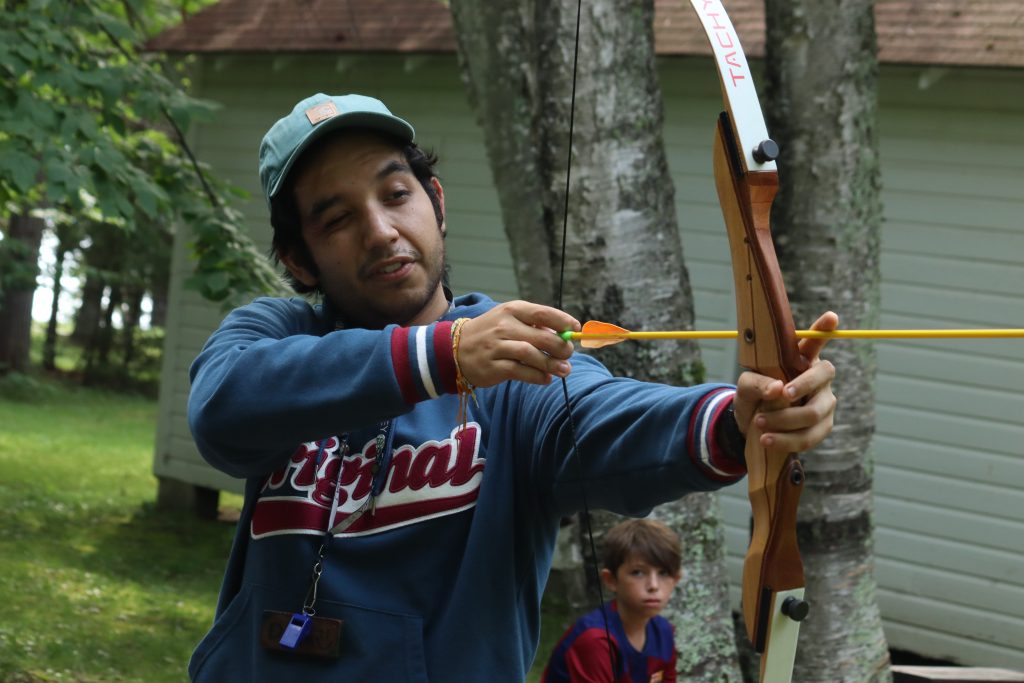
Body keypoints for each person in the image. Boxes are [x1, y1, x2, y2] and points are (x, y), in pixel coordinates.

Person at [185, 92, 837, 683]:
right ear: (300, 260)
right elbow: (222, 408)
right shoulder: (276, 333)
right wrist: (443, 355)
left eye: (395, 194)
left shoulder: (510, 364)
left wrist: (736, 421)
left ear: (435, 201)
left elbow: (599, 417)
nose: (381, 230)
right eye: (336, 219)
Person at [542, 519, 684, 683]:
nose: (653, 585)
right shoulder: (596, 640)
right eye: (638, 572)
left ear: (675, 579)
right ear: (611, 580)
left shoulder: (663, 633)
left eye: (664, 573)